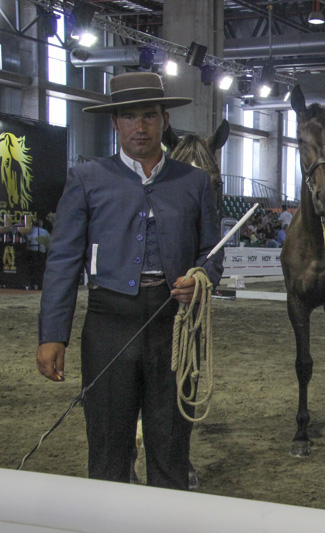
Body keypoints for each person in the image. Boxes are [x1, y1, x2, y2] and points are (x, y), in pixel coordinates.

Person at [36, 72, 223, 490]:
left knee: (172, 449)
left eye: (150, 116)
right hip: (107, 323)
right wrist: (53, 335)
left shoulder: (193, 183)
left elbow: (212, 252)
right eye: (130, 117)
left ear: (164, 120)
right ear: (115, 123)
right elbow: (64, 259)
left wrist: (202, 277)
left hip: (173, 326)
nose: (140, 127)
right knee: (107, 448)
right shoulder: (87, 178)